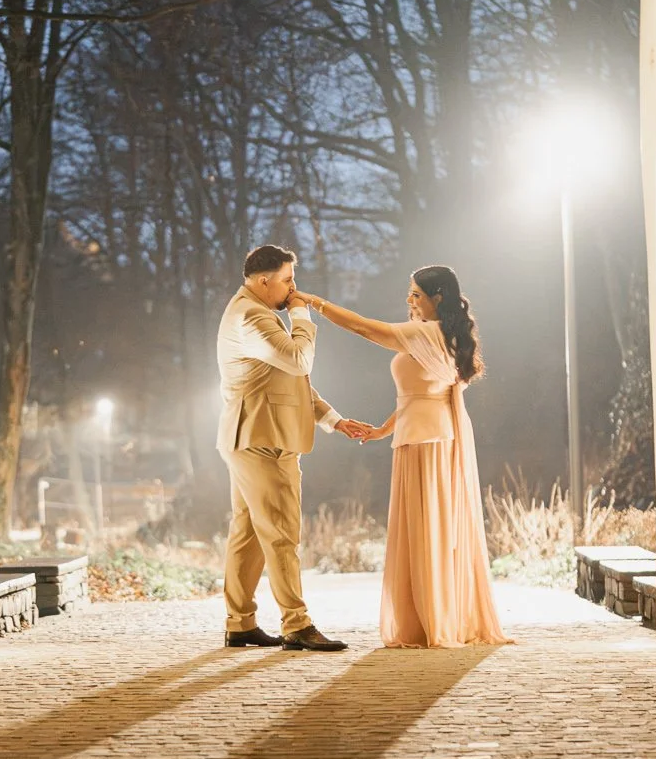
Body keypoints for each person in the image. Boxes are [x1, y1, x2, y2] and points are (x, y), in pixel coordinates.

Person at [293, 266, 509, 649]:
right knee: (428, 528)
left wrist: (315, 303)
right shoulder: (443, 334)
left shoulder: (425, 333)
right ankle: (432, 617)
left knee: (425, 529)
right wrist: (383, 429)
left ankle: (430, 621)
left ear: (437, 297)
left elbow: (364, 328)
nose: (409, 300)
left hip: (426, 441)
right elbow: (421, 395)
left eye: (416, 294)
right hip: (427, 436)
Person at [217, 244, 369, 651]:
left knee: (249, 533)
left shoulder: (253, 312)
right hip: (263, 439)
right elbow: (299, 360)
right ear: (263, 280)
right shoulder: (251, 316)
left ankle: (240, 623)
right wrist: (301, 315)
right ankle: (296, 624)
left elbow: (286, 380)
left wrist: (334, 420)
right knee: (281, 533)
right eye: (287, 280)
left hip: (249, 436)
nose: (293, 288)